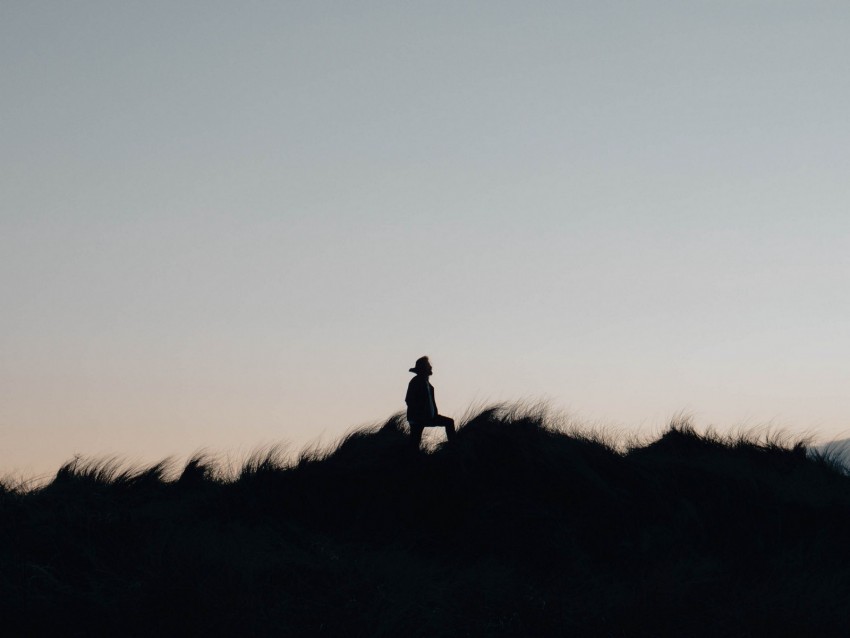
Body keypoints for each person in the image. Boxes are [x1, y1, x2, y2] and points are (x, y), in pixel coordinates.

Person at [405, 356, 455, 447]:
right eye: (428, 365)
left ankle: (454, 445)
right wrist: (419, 413)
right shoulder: (416, 381)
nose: (431, 367)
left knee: (449, 422)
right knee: (414, 441)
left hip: (429, 417)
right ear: (423, 368)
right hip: (418, 418)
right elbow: (409, 400)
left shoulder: (428, 384)